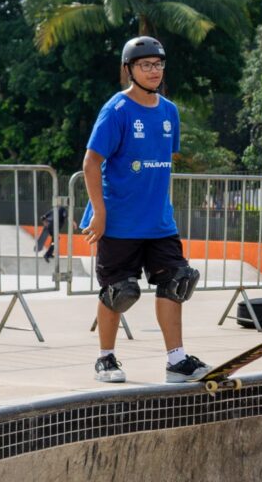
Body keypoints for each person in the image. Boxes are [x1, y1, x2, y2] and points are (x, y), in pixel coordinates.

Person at [80, 36, 211, 384]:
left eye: (158, 65)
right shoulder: (117, 110)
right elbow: (91, 163)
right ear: (129, 70)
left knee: (176, 283)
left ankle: (176, 360)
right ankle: (105, 358)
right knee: (119, 291)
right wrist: (99, 212)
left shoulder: (169, 111)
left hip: (158, 222)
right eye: (145, 65)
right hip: (120, 220)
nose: (153, 71)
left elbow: (160, 161)